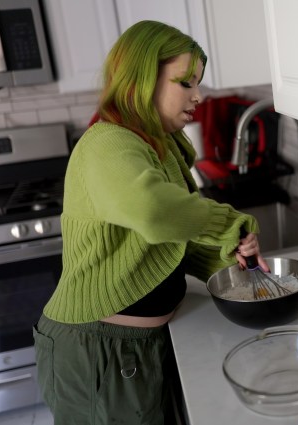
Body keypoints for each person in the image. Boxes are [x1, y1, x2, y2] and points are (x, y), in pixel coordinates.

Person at [32, 20, 269, 425]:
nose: (198, 96)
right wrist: (228, 224)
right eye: (185, 83)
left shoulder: (154, 145)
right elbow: (154, 213)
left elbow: (169, 242)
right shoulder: (108, 143)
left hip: (143, 342)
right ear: (142, 79)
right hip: (100, 349)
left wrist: (228, 258)